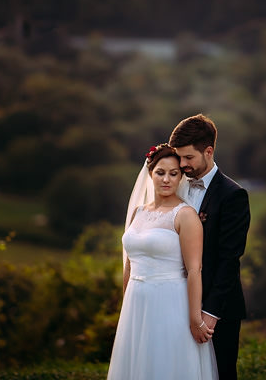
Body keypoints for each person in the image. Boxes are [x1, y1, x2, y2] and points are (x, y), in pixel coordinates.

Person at [107, 144, 218, 380]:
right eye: (160, 172)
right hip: (136, 304)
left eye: (173, 173)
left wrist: (195, 319)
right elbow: (129, 264)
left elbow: (194, 270)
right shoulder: (138, 212)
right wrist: (125, 307)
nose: (166, 179)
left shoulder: (185, 215)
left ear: (181, 177)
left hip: (170, 303)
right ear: (150, 173)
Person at [170, 114, 251, 380]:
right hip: (173, 299)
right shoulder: (173, 186)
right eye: (179, 157)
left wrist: (210, 313)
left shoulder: (233, 195)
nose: (182, 165)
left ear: (208, 151)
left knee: (220, 373)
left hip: (218, 307)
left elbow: (230, 259)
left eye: (188, 158)